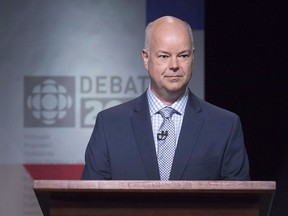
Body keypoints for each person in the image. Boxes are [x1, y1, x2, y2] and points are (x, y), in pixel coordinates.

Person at [81, 16, 250, 180]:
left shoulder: (225, 126)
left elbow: (240, 205)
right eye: (164, 56)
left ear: (193, 57)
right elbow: (88, 203)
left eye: (183, 55)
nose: (174, 65)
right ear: (146, 58)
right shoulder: (109, 124)